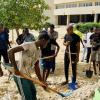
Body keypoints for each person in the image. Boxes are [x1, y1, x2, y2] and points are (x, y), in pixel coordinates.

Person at [8, 31, 50, 100]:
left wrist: (41, 81)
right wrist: (15, 69)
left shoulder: (39, 52)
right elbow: (10, 51)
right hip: (20, 76)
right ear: (43, 40)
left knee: (33, 93)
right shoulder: (28, 45)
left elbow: (36, 67)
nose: (46, 45)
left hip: (28, 76)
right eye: (47, 43)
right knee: (27, 97)